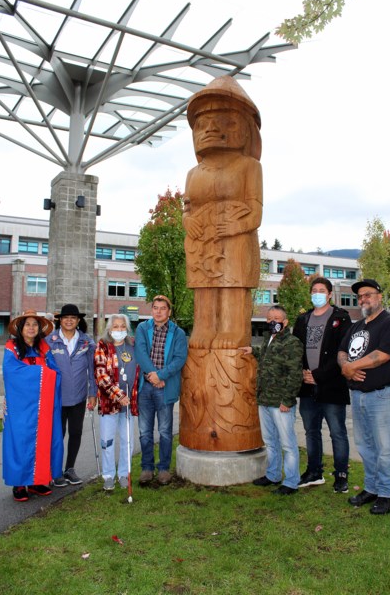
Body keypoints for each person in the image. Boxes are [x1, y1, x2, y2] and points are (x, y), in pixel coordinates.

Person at [182, 75, 263, 351]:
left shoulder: (248, 166)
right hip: (200, 243)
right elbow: (187, 208)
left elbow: (255, 212)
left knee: (232, 287)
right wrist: (188, 222)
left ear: (246, 130)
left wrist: (234, 228)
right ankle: (204, 328)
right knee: (204, 291)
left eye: (225, 121)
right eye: (202, 124)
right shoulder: (193, 173)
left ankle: (233, 328)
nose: (211, 129)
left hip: (235, 241)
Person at [338, 279, 390, 515]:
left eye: (368, 294)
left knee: (385, 447)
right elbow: (342, 350)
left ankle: (387, 494)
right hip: (359, 396)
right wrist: (345, 365)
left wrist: (350, 366)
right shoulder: (357, 326)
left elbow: (383, 355)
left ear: (380, 296)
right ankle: (372, 488)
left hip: (383, 396)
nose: (363, 299)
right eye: (360, 296)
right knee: (366, 446)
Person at [292, 276, 352, 493]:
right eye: (313, 290)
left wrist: (318, 375)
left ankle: (341, 475)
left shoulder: (341, 318)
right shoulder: (303, 320)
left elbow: (342, 353)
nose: (317, 293)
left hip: (332, 386)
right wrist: (303, 374)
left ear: (329, 294)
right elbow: (296, 350)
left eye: (321, 290)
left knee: (337, 432)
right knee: (311, 431)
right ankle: (314, 472)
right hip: (307, 387)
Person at [240, 305, 304, 495]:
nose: (272, 322)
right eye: (269, 319)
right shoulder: (269, 338)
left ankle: (291, 482)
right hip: (265, 400)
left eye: (276, 319)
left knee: (287, 444)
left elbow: (295, 374)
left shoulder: (292, 343)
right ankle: (273, 474)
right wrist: (253, 350)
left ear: (285, 322)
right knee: (270, 441)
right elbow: (268, 358)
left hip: (281, 403)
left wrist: (287, 400)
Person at [1, 310, 63, 501]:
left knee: (43, 440)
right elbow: (11, 373)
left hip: (42, 406)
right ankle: (19, 484)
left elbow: (55, 372)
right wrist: (41, 372)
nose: (31, 328)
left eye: (34, 325)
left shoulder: (43, 348)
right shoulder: (12, 348)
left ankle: (37, 481)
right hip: (20, 406)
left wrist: (44, 373)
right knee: (20, 441)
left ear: (39, 329)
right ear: (20, 328)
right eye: (27, 324)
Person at [133, 295, 189, 485]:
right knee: (144, 431)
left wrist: (161, 376)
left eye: (162, 308)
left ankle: (164, 468)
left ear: (169, 311)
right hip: (145, 387)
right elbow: (140, 353)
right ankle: (147, 468)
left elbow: (180, 359)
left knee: (165, 431)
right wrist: (153, 376)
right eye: (155, 308)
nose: (158, 311)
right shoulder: (142, 328)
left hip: (165, 388)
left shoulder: (178, 333)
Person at [45, 303, 97, 487]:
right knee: (57, 434)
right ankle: (55, 471)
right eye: (65, 317)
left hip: (79, 397)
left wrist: (93, 393)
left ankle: (70, 469)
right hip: (55, 398)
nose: (69, 320)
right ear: (59, 320)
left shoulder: (86, 342)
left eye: (73, 318)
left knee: (75, 433)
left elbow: (93, 369)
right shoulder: (48, 341)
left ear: (78, 320)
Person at [92, 314, 140, 491]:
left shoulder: (133, 345)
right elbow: (101, 375)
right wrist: (119, 395)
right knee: (107, 441)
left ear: (127, 329)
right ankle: (108, 475)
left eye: (122, 327)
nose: (119, 330)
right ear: (109, 329)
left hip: (129, 402)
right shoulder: (102, 346)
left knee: (128, 441)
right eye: (115, 326)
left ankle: (123, 474)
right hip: (110, 403)